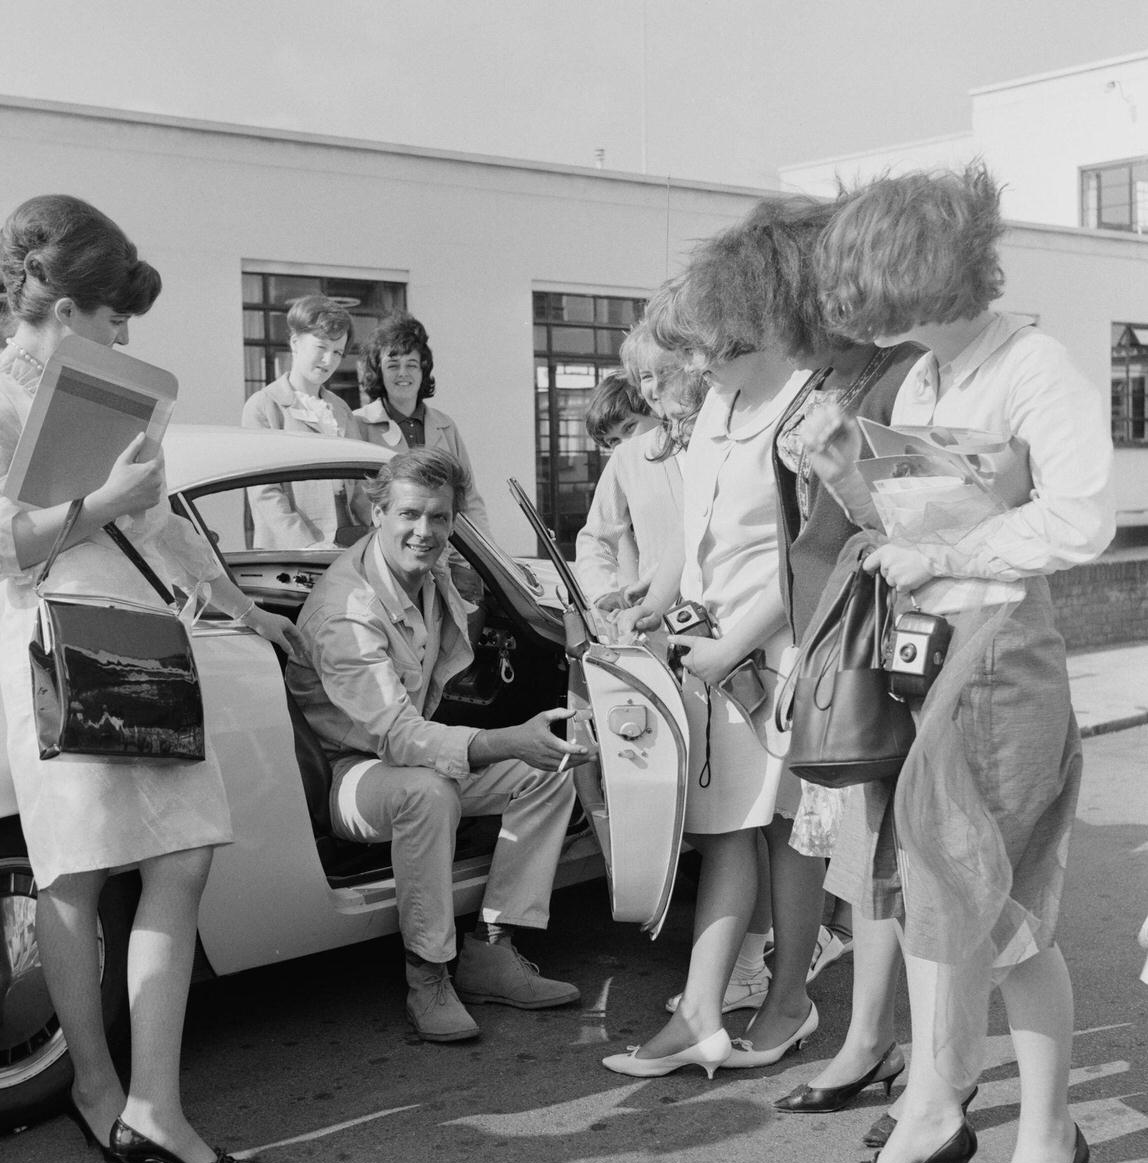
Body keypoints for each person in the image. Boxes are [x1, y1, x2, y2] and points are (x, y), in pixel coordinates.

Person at [0, 195, 299, 1163]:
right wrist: (102, 502)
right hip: (59, 644)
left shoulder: (102, 390)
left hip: (143, 639)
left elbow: (168, 524)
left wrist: (237, 603)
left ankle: (155, 1099)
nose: (118, 333)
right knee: (76, 877)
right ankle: (98, 1088)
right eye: (107, 314)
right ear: (61, 302)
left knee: (182, 858)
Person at [803, 165, 1113, 1163]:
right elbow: (904, 531)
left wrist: (952, 547)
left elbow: (1082, 522)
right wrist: (847, 477)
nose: (868, 320)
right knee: (931, 891)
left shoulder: (1035, 366)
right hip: (933, 647)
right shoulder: (924, 378)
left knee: (1008, 907)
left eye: (877, 294)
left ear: (923, 274)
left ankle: (1044, 1133)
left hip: (1001, 648)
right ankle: (936, 1103)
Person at [677, 194, 923, 1120]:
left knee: (889, 855)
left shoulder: (890, 378)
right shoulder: (832, 381)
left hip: (879, 638)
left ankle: (882, 1043)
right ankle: (872, 1038)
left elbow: (912, 518)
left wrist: (846, 479)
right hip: (828, 635)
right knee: (864, 857)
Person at [285, 448, 587, 1043]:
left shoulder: (434, 569)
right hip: (348, 774)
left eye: (441, 518)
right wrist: (505, 739)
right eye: (410, 515)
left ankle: (493, 949)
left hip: (405, 751)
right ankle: (428, 975)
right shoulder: (346, 612)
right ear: (377, 513)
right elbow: (396, 737)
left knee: (548, 769)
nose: (425, 533)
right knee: (427, 792)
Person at [604, 255, 818, 1078]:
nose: (689, 369)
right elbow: (694, 539)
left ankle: (786, 1002)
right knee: (727, 826)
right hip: (713, 650)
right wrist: (654, 602)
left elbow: (810, 553)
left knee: (788, 828)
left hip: (777, 651)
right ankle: (701, 1012)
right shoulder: (725, 404)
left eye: (695, 348)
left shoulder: (803, 404)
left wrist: (734, 646)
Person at [352, 311, 491, 535]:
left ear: (423, 369)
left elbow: (469, 500)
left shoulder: (445, 426)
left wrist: (487, 561)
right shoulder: (359, 424)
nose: (403, 373)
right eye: (393, 365)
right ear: (378, 372)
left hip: (445, 556)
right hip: (387, 554)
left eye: (412, 364)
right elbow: (359, 503)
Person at [241, 293, 363, 546]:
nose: (329, 360)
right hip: (291, 553)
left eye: (338, 352)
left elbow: (360, 485)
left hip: (345, 546)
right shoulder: (264, 406)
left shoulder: (341, 410)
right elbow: (265, 493)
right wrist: (308, 547)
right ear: (295, 342)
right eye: (321, 347)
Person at [573, 371, 672, 618]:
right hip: (655, 609)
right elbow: (594, 537)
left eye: (630, 427)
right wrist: (604, 591)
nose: (625, 444)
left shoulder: (691, 448)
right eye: (613, 441)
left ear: (656, 408)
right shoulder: (623, 462)